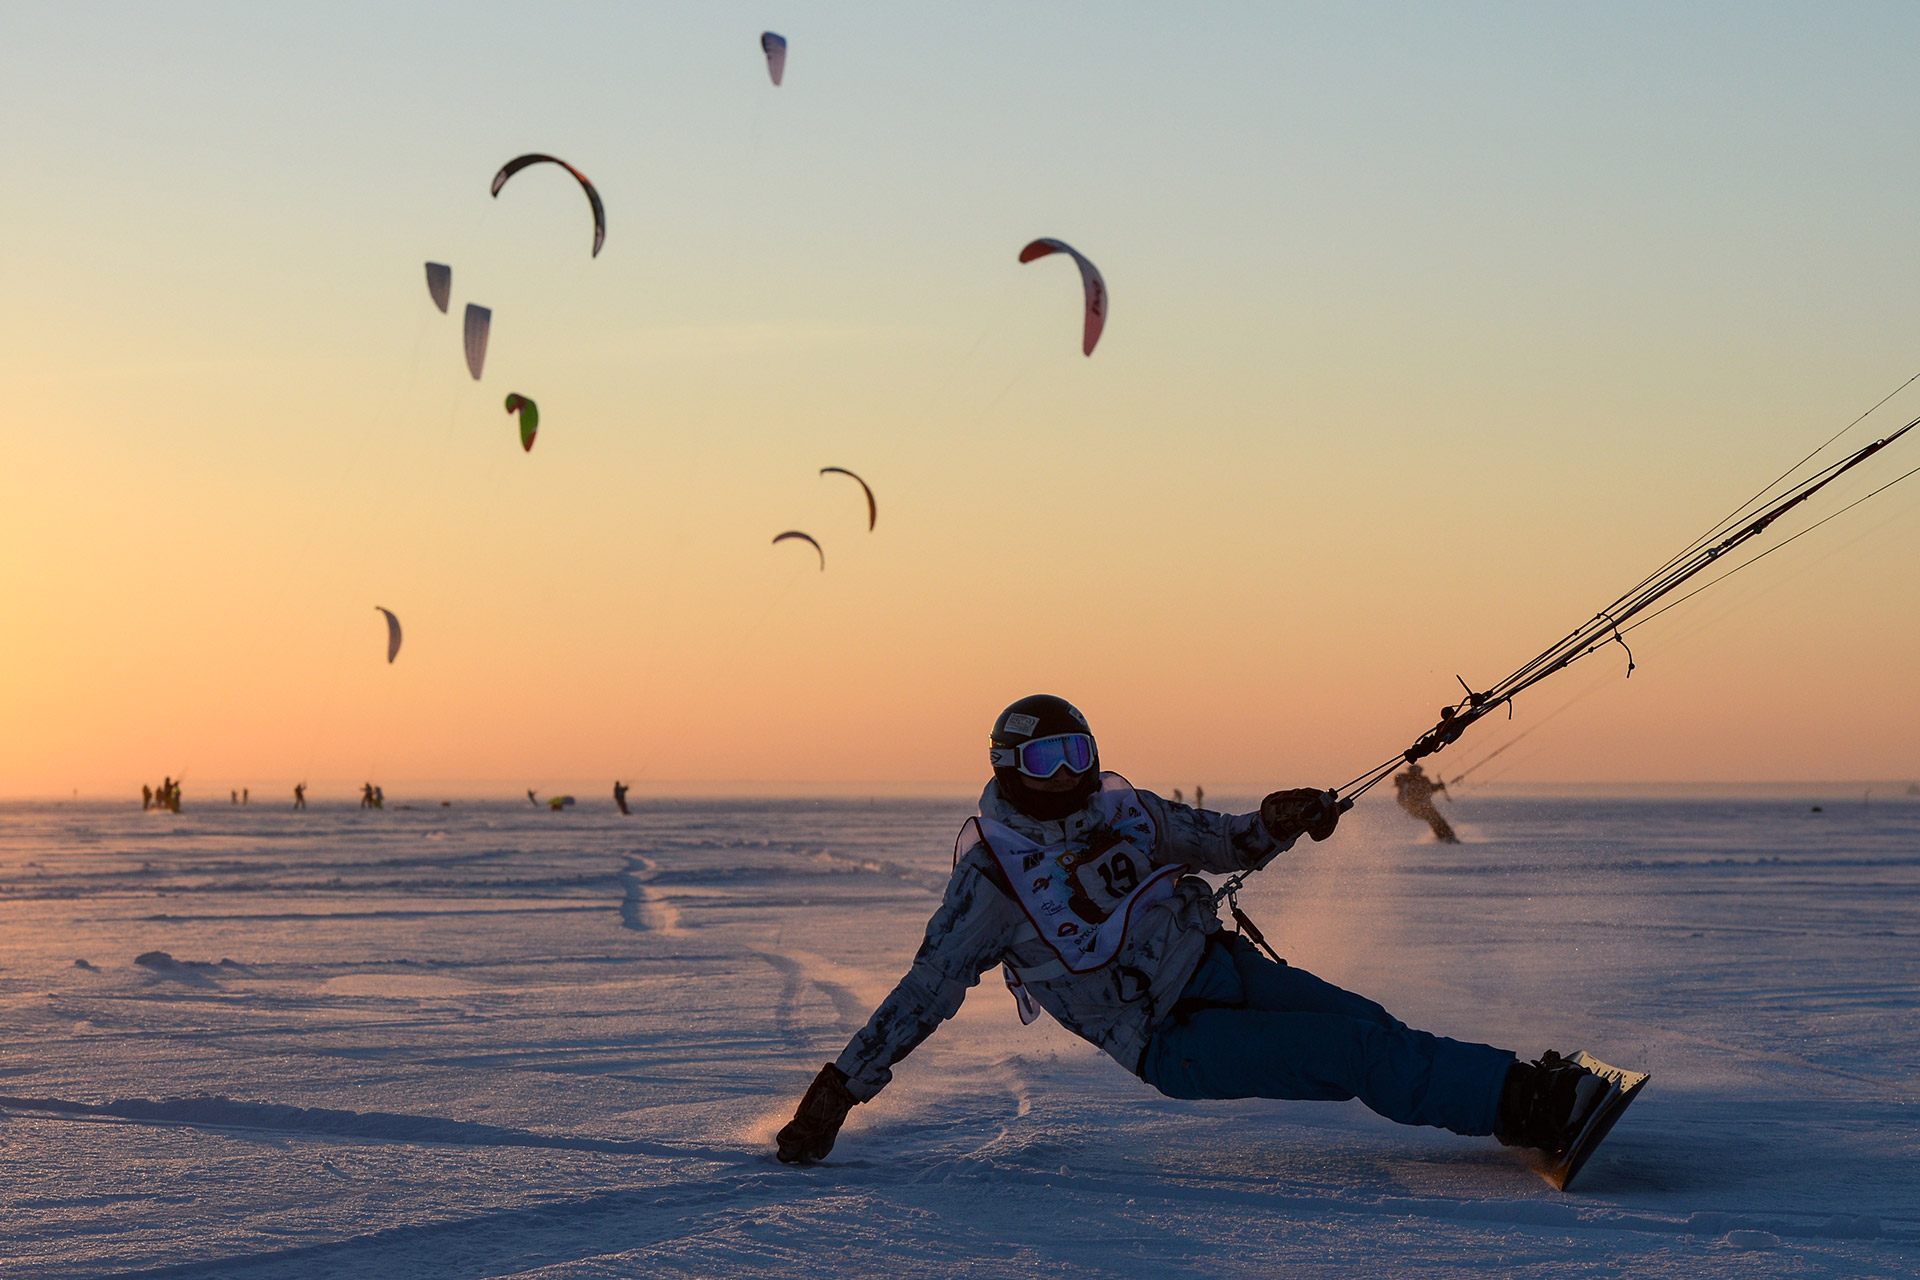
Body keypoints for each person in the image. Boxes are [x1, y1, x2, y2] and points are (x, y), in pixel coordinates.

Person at [775, 695, 1632, 1179]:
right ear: (1006, 768)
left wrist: (1278, 819)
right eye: (1045, 762)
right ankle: (1527, 1110)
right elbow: (921, 996)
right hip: (1171, 1037)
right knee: (1358, 1055)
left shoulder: (1128, 811)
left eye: (1078, 751)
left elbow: (1222, 841)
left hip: (1222, 967)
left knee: (1371, 1023)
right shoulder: (994, 880)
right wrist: (839, 1089)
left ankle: (1518, 1083)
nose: (1068, 774)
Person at [1393, 762, 1457, 844]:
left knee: (1438, 820)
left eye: (1418, 772)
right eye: (1415, 772)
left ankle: (1448, 836)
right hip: (1417, 809)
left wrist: (1439, 786)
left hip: (1426, 807)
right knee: (1433, 819)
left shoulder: (1423, 780)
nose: (1417, 774)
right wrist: (1411, 806)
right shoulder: (1406, 783)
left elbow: (1430, 788)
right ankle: (1444, 837)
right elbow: (1402, 799)